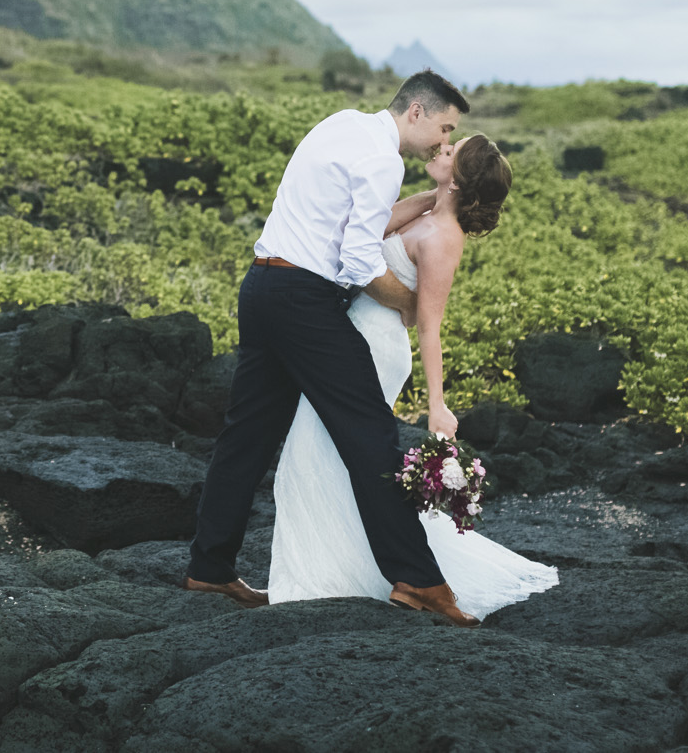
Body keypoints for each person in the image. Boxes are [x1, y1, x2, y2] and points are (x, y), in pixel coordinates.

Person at [183, 70, 480, 626]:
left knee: (246, 432)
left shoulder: (341, 124)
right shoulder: (384, 160)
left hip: (262, 285)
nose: (443, 142)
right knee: (369, 432)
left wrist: (428, 197)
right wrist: (409, 307)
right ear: (415, 112)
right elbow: (360, 262)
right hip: (303, 300)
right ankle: (416, 578)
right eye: (443, 128)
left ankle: (210, 565)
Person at [266, 133, 559, 617]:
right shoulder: (427, 215)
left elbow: (429, 324)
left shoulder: (444, 238)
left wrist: (437, 404)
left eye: (452, 152)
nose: (440, 150)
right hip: (351, 334)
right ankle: (337, 573)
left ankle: (357, 576)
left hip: (377, 345)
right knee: (314, 454)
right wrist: (436, 194)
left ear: (461, 177)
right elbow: (365, 232)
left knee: (321, 453)